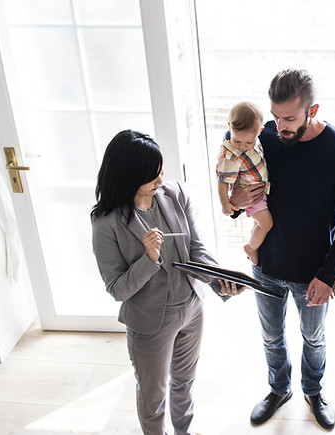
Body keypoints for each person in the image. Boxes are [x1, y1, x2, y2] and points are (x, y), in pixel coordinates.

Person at [228, 69, 335, 430]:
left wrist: (329, 272)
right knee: (271, 335)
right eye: (274, 115)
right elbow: (239, 185)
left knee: (313, 337)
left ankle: (313, 391)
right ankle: (279, 388)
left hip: (314, 271)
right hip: (267, 264)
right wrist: (236, 201)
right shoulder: (264, 137)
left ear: (312, 110)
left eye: (288, 118)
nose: (279, 125)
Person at [91, 130, 244, 435]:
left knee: (185, 382)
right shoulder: (106, 222)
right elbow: (118, 289)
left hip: (191, 308)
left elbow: (196, 249)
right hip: (150, 323)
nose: (160, 180)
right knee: (152, 394)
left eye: (160, 170)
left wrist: (219, 278)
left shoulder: (174, 194)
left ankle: (184, 432)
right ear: (128, 176)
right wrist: (149, 258)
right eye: (152, 175)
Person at [215, 101, 272, 265]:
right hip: (251, 196)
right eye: (237, 141)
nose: (242, 147)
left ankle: (254, 243)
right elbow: (222, 181)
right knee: (266, 223)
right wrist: (226, 204)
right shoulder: (230, 154)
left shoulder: (255, 139)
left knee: (258, 223)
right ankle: (250, 248)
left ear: (259, 132)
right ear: (229, 127)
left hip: (260, 191)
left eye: (248, 143)